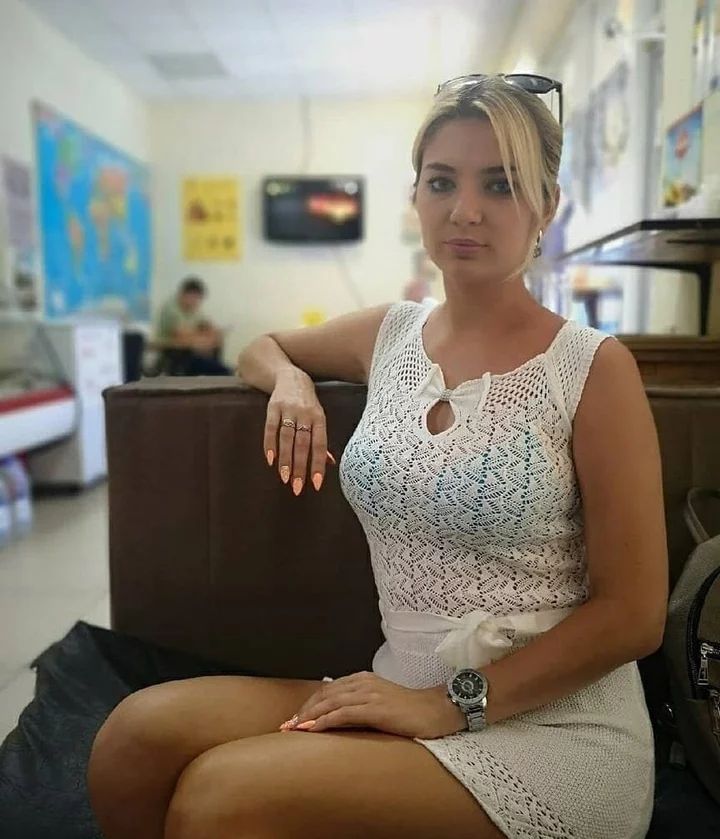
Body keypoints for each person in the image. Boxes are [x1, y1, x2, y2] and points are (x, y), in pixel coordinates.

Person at [87, 75, 667, 839]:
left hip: (553, 726)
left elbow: (634, 615)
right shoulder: (389, 334)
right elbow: (262, 346)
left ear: (546, 204)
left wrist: (448, 703)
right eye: (442, 181)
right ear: (416, 196)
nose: (465, 210)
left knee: (221, 798)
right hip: (397, 686)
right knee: (133, 741)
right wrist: (291, 382)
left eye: (500, 184)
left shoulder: (591, 366)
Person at [155, 276, 230, 375]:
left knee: (217, 343)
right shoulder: (170, 308)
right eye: (194, 298)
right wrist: (202, 336)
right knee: (223, 371)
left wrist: (213, 331)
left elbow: (206, 325)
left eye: (198, 299)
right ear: (183, 294)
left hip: (190, 350)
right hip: (173, 351)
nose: (196, 302)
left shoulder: (193, 309)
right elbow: (180, 334)